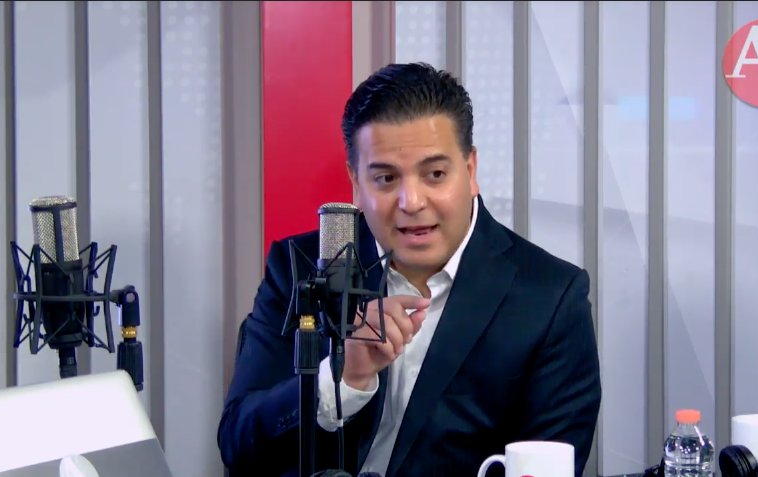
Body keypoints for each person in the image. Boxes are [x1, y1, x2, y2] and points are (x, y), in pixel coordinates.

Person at [218, 62, 601, 477]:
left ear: (470, 171)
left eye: (434, 174)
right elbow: (238, 444)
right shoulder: (302, 267)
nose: (411, 202)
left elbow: (547, 464)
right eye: (385, 179)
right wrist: (344, 377)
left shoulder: (549, 298)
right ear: (356, 183)